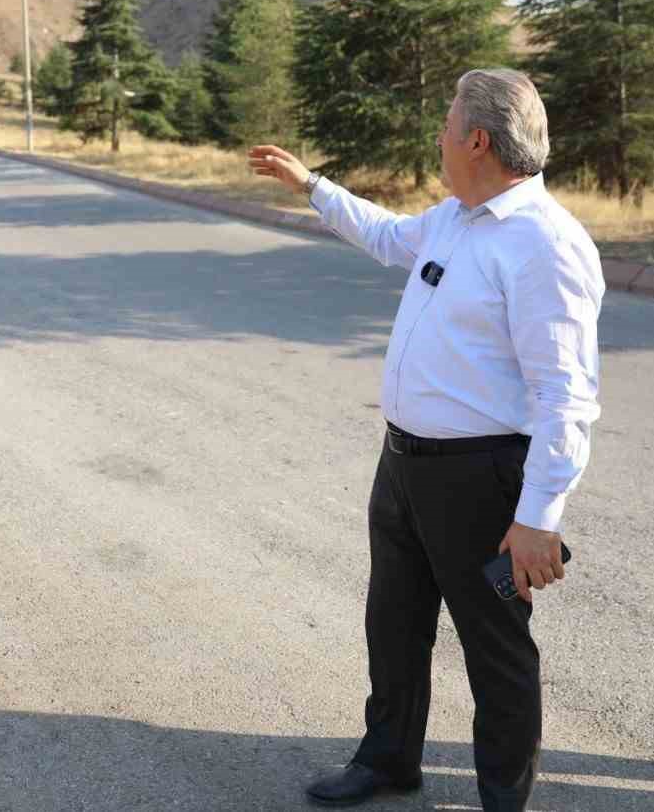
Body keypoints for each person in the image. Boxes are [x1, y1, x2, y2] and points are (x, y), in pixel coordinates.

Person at [248, 68, 603, 811]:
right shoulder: (454, 218)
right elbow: (383, 236)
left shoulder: (545, 244)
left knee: (496, 650)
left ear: (477, 139)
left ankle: (504, 798)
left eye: (446, 125)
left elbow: (566, 395)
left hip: (482, 481)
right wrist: (312, 185)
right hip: (405, 466)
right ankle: (388, 762)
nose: (438, 138)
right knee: (394, 625)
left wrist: (539, 518)